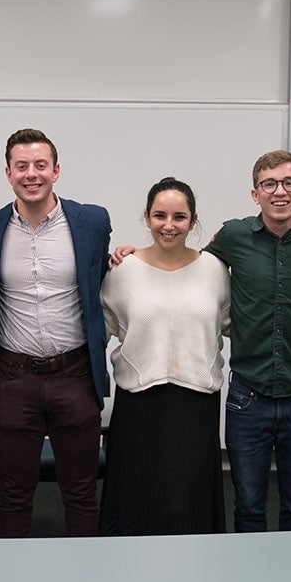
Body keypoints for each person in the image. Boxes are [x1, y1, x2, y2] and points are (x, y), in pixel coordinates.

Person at [0, 128, 112, 540]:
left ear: (56, 170)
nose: (31, 174)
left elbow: (101, 274)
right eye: (22, 166)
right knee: (13, 493)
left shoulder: (92, 220)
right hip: (15, 378)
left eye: (40, 165)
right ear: (8, 173)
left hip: (75, 374)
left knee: (82, 491)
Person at [203, 150, 291, 534]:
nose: (280, 191)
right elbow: (186, 270)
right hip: (249, 397)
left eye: (289, 182)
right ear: (255, 193)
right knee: (248, 508)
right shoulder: (233, 236)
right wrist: (135, 255)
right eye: (269, 183)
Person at [99, 177, 230, 536]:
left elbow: (229, 323)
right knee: (136, 496)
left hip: (197, 400)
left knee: (190, 499)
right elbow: (103, 328)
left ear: (193, 220)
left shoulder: (215, 270)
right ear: (146, 217)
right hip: (139, 400)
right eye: (160, 216)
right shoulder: (122, 271)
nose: (169, 225)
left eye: (179, 217)